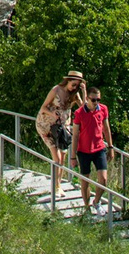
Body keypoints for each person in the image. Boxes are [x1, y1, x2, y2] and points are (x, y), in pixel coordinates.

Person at [37, 71, 83, 199]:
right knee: (56, 158)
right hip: (47, 126)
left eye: (77, 86)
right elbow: (43, 108)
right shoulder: (56, 90)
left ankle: (58, 185)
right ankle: (56, 186)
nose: (74, 87)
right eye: (73, 84)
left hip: (62, 128)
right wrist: (53, 114)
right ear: (68, 81)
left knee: (63, 155)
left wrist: (83, 92)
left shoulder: (75, 94)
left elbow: (85, 108)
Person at [70, 83, 113, 214]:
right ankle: (87, 207)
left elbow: (106, 128)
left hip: (99, 148)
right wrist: (73, 156)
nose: (96, 102)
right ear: (87, 98)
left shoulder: (103, 109)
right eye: (93, 100)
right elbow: (75, 135)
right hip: (83, 151)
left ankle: (96, 201)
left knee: (103, 180)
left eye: (98, 100)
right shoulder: (79, 113)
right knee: (85, 182)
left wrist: (110, 147)